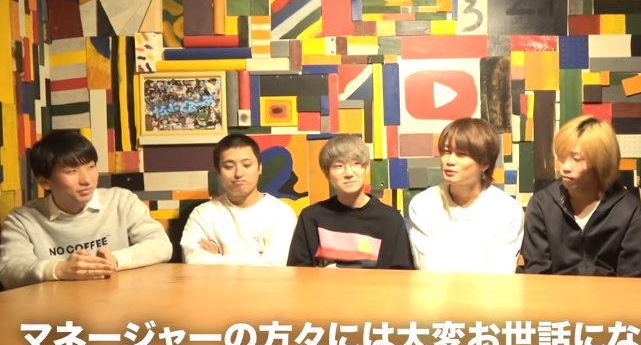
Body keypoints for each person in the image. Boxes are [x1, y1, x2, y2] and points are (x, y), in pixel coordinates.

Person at [0, 130, 172, 290]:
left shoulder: (121, 200)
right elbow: (9, 270)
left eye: (91, 167)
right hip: (55, 307)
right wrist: (60, 269)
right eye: (71, 171)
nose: (87, 180)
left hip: (117, 302)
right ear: (45, 182)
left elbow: (161, 244)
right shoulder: (22, 219)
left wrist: (115, 260)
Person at [521, 115, 641, 276]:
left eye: (576, 158)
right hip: (553, 292)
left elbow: (632, 279)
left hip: (612, 292)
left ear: (601, 162)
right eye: (561, 157)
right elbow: (537, 273)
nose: (565, 167)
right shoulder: (542, 205)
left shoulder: (629, 211)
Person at [408, 118, 524, 274]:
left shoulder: (507, 210)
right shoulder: (423, 204)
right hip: (436, 289)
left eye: (461, 154)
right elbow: (429, 270)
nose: (450, 161)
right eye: (446, 152)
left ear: (485, 164)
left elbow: (500, 275)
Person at [287, 134, 415, 269]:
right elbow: (298, 274)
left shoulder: (390, 219)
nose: (349, 173)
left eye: (356, 164)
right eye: (339, 166)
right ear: (327, 174)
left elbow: (402, 275)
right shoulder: (310, 218)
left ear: (367, 168)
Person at [180, 134, 297, 265]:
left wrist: (219, 258)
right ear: (218, 173)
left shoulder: (282, 213)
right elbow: (193, 262)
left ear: (260, 168)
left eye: (246, 165)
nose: (238, 173)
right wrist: (254, 257)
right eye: (229, 166)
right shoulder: (202, 214)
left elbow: (272, 268)